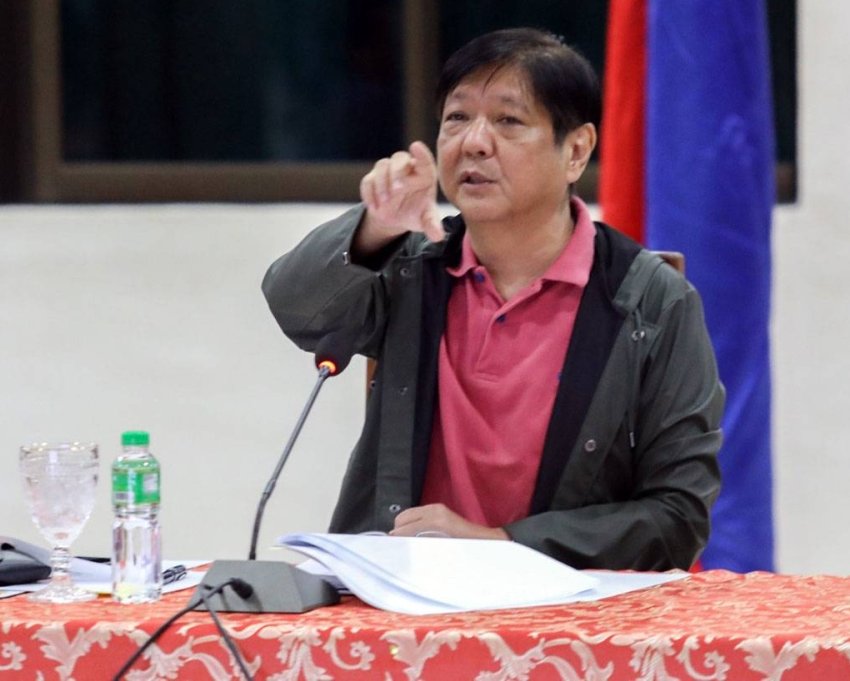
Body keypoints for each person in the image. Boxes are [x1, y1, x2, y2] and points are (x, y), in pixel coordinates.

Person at [262, 28, 724, 571]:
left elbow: (678, 515)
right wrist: (374, 227)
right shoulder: (410, 267)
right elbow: (296, 309)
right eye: (457, 118)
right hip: (397, 602)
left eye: (509, 121)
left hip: (565, 617)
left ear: (576, 150)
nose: (474, 142)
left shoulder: (651, 302)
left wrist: (504, 544)